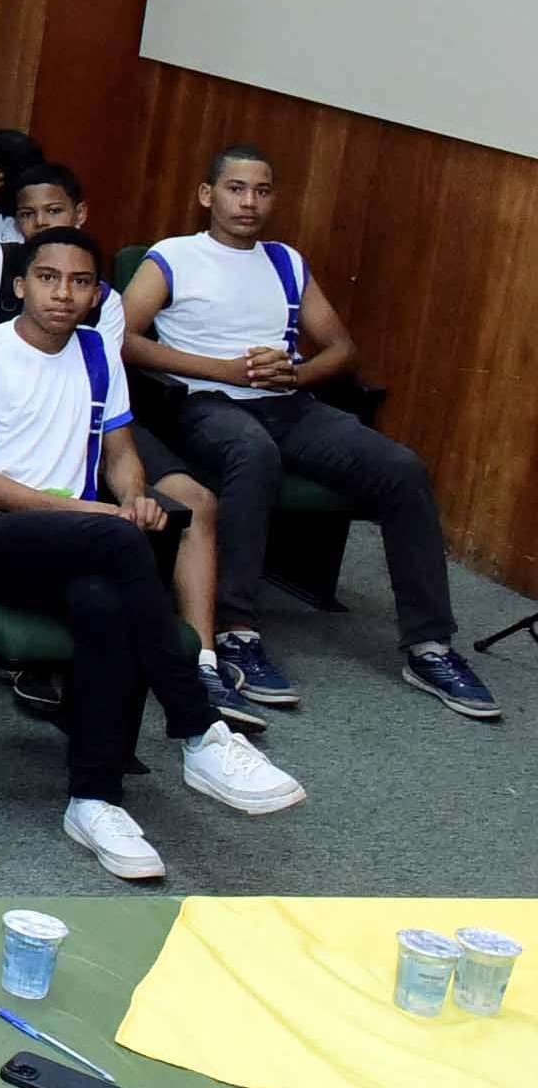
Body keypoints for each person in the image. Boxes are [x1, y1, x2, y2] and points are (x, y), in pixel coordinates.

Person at [0, 230, 309, 879]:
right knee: (117, 540)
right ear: (21, 285)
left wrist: (132, 496)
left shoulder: (96, 355)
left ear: (94, 294)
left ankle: (93, 799)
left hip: (76, 545)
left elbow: (121, 454)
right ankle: (199, 726)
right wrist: (102, 515)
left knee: (105, 602)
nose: (63, 292)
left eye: (79, 282)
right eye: (47, 278)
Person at [126, 147, 497, 720]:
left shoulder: (286, 261)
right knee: (253, 452)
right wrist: (219, 368)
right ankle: (235, 632)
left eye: (262, 191)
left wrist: (295, 373)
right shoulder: (174, 256)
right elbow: (121, 337)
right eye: (236, 189)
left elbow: (343, 349)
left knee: (401, 468)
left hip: (287, 401)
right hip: (201, 402)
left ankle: (429, 645)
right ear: (208, 195)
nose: (249, 202)